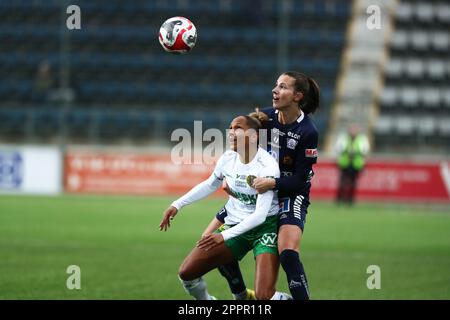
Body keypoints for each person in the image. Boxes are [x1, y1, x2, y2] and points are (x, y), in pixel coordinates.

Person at [159, 115, 291, 300]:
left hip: (264, 228)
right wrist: (177, 204)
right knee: (186, 273)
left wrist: (222, 236)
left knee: (264, 296)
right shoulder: (228, 158)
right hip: (234, 223)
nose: (231, 132)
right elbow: (210, 184)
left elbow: (260, 216)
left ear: (253, 136)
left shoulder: (267, 166)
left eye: (238, 128)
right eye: (230, 128)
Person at [214, 71, 320, 300]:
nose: (275, 90)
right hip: (258, 194)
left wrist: (272, 183)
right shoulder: (264, 118)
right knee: (214, 248)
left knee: (288, 254)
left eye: (283, 87)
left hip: (290, 195)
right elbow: (240, 145)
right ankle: (242, 297)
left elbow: (301, 179)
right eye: (275, 85)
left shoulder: (308, 131)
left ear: (298, 96)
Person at [335, 124, 370, 205]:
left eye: (354, 130)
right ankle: (340, 199)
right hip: (344, 163)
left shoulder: (362, 139)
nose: (353, 132)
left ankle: (350, 199)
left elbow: (365, 151)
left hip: (356, 164)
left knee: (353, 182)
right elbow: (338, 149)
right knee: (342, 182)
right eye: (351, 130)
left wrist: (355, 153)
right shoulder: (343, 138)